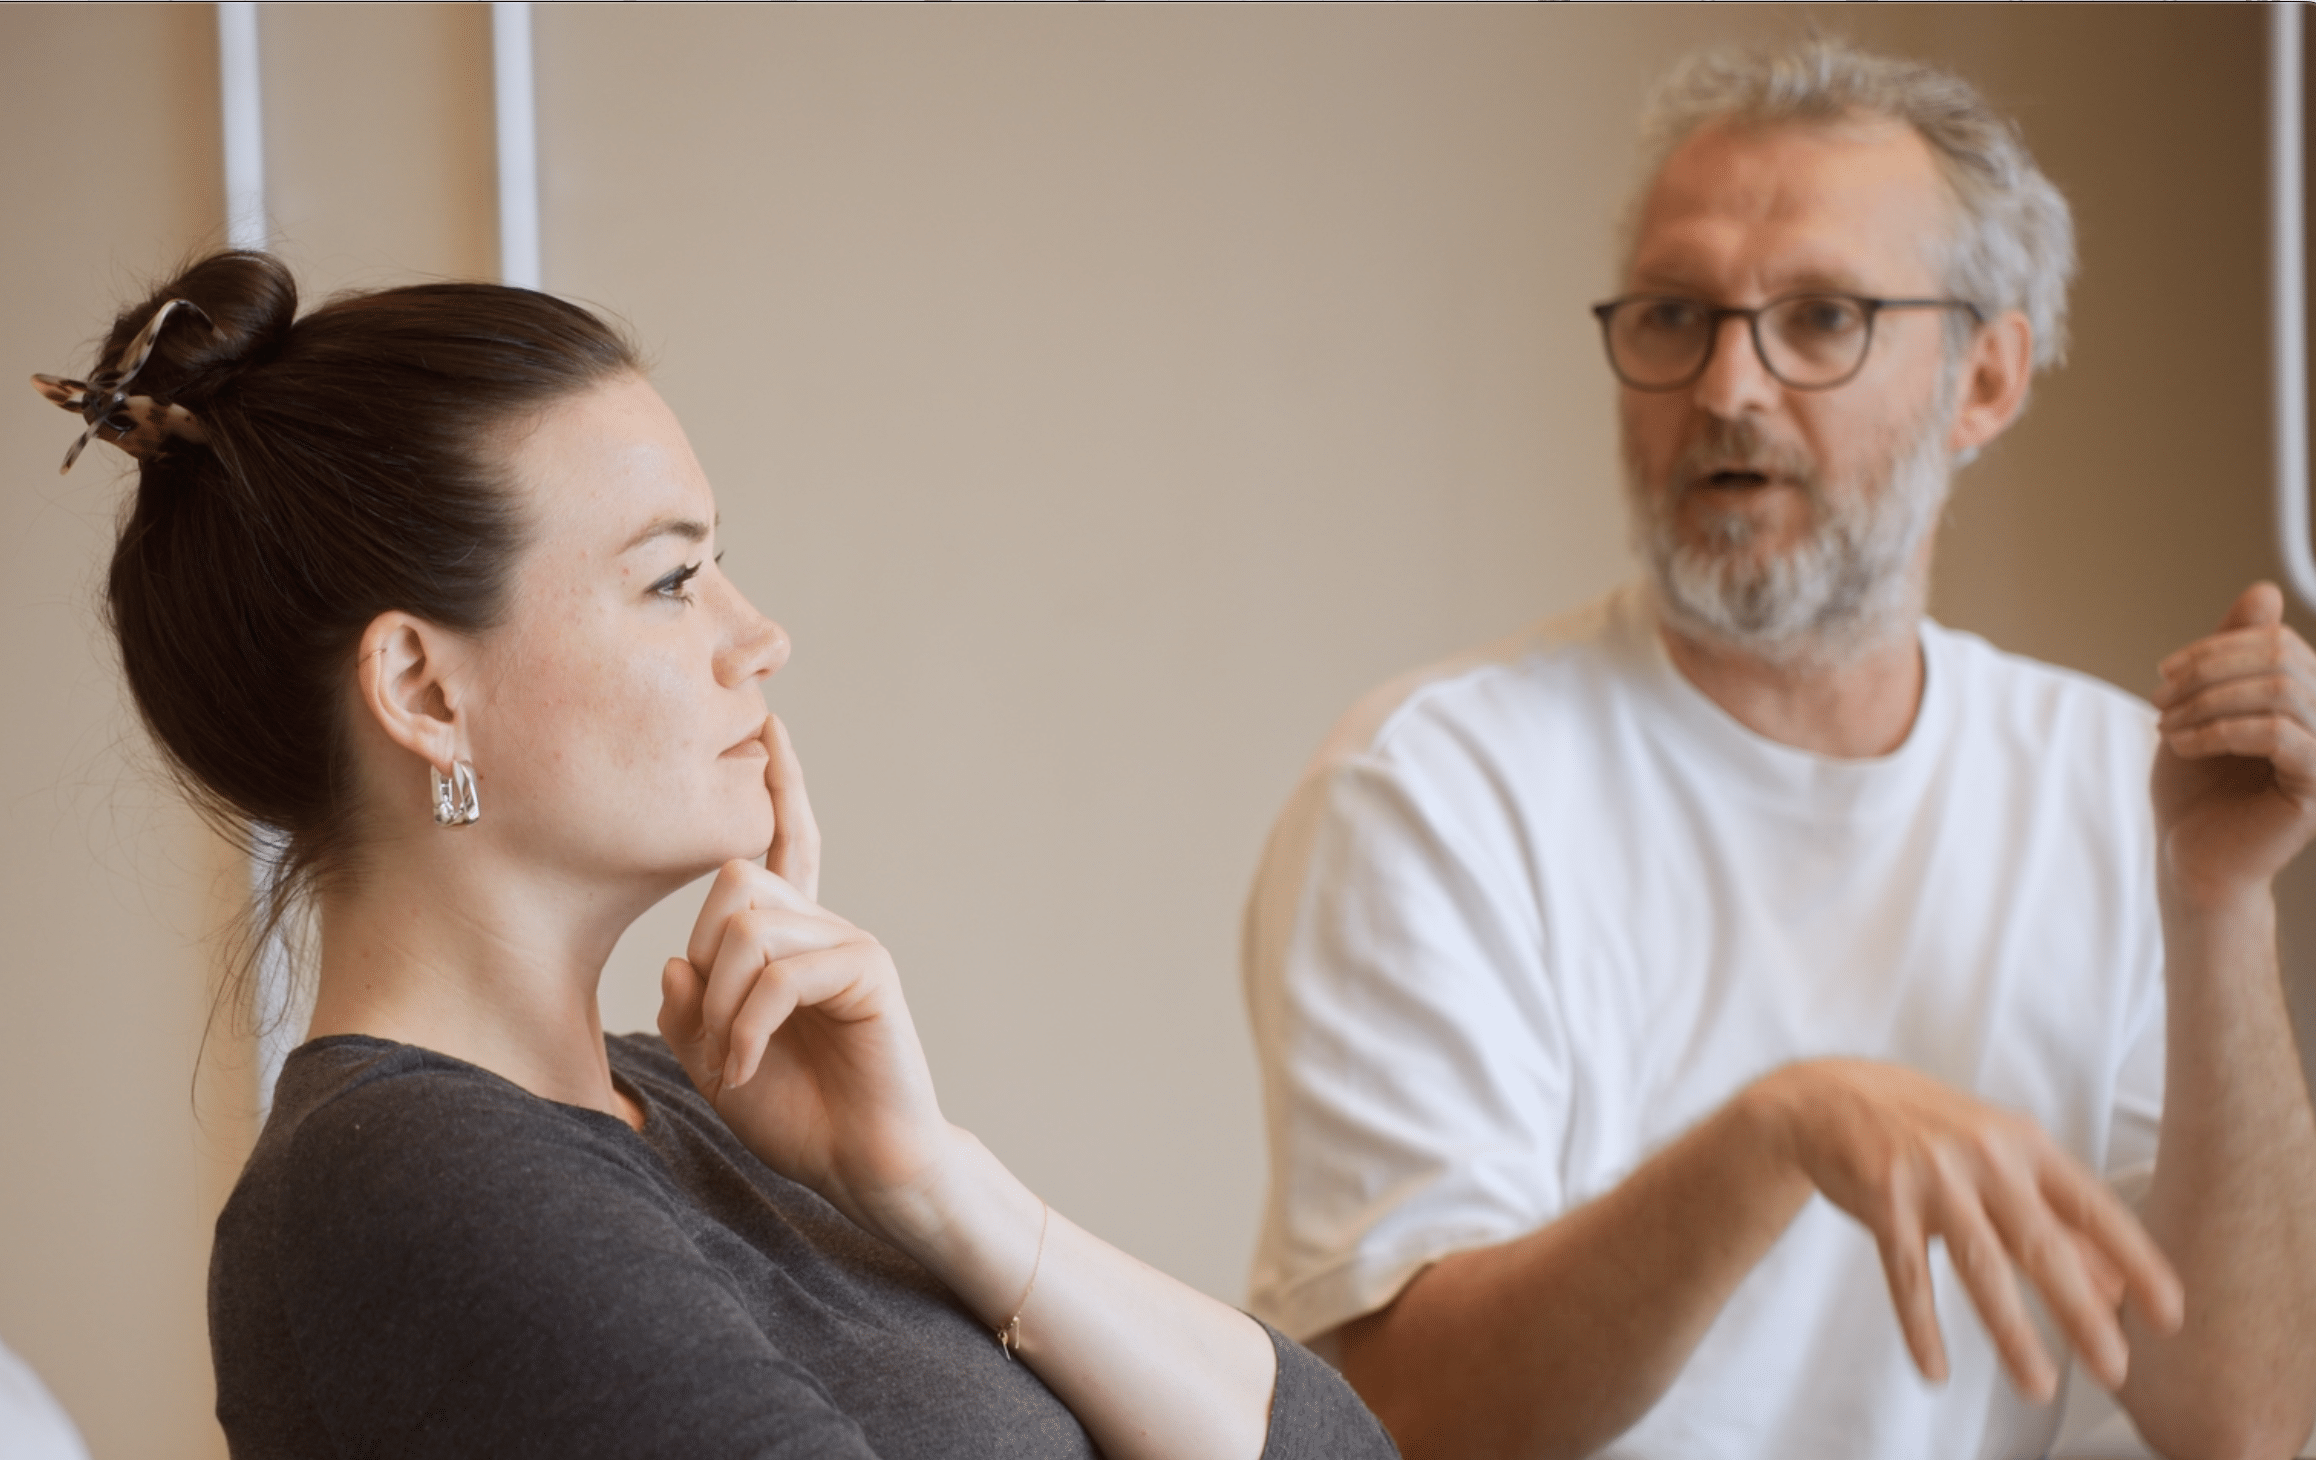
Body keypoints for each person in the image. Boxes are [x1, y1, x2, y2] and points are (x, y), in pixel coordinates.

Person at [33, 250, 1398, 1460]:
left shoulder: (688, 1107)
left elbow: (1329, 1450)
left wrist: (927, 1182)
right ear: (427, 694)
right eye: (672, 581)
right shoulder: (405, 1183)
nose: (761, 639)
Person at [1242, 38, 2316, 1460]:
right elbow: (1400, 1424)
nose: (1728, 386)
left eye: (1819, 319)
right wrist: (1773, 1140)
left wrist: (2220, 907)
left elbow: (2252, 1419)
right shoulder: (1434, 789)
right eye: (1676, 315)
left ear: (1985, 380)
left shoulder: (2116, 785)